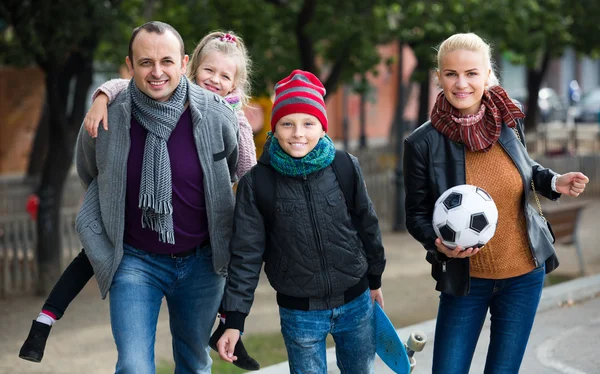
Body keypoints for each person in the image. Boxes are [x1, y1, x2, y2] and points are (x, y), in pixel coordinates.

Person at [18, 30, 260, 371]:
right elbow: (91, 172)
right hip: (135, 263)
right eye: (146, 62)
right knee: (133, 366)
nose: (157, 71)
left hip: (202, 265)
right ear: (131, 65)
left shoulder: (218, 116)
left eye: (166, 62)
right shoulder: (108, 115)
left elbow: (239, 175)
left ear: (183, 63)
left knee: (193, 362)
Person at [403, 32, 589, 374]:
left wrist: (554, 181)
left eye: (472, 73)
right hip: (465, 279)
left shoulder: (508, 119)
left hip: (524, 275)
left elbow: (525, 168)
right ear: (438, 77)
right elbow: (415, 214)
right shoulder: (422, 143)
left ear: (487, 75)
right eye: (451, 74)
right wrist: (439, 245)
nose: (462, 83)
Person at [216, 70, 386, 373]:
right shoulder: (258, 183)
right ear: (274, 129)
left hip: (356, 303)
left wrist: (375, 279)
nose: (298, 133)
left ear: (322, 128)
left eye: (308, 123)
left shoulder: (345, 166)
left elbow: (367, 225)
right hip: (300, 314)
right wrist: (234, 320)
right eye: (287, 123)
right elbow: (245, 255)